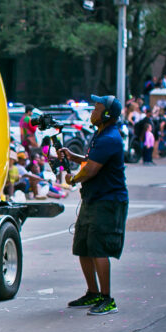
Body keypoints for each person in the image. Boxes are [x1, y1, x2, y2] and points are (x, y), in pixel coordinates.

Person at [59, 94, 128, 316]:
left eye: (97, 108)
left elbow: (91, 170)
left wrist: (73, 179)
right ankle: (93, 292)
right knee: (83, 246)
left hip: (108, 201)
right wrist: (74, 156)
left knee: (99, 248)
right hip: (93, 199)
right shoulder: (100, 135)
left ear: (107, 114)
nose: (92, 111)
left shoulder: (109, 138)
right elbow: (91, 160)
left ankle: (107, 299)